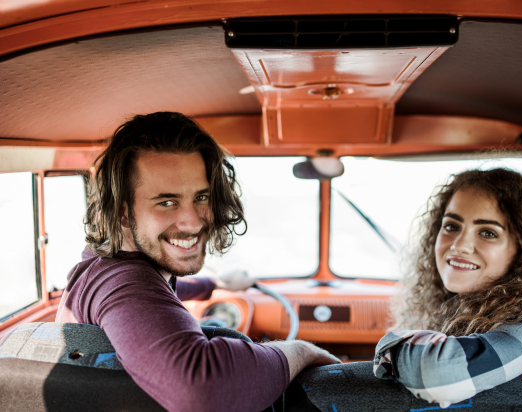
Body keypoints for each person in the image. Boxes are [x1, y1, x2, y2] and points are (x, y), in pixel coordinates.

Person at [55, 112, 340, 412]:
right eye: (167, 202)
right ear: (124, 213)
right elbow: (203, 391)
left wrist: (212, 284)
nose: (192, 222)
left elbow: (156, 297)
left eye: (201, 197)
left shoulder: (105, 269)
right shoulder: (123, 282)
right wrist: (300, 350)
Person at [373, 168, 522, 408]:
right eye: (451, 226)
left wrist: (388, 347)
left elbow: (438, 374)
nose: (459, 245)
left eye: (488, 233)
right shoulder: (464, 313)